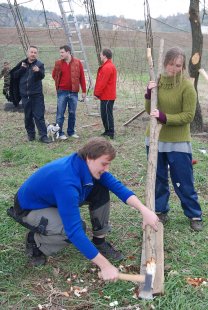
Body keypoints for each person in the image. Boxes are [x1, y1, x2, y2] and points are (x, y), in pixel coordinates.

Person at [7, 137, 159, 281]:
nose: (107, 169)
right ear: (89, 157)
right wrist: (105, 266)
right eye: (104, 164)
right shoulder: (67, 182)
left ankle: (99, 241)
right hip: (29, 208)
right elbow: (74, 232)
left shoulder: (88, 167)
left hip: (53, 200)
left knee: (101, 188)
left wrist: (144, 210)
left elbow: (118, 187)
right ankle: (34, 241)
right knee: (73, 229)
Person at [144, 46, 203, 231]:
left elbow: (188, 116)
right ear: (164, 63)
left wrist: (165, 118)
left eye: (178, 65)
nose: (174, 68)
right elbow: (149, 110)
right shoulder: (158, 81)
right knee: (158, 178)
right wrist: (148, 94)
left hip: (178, 141)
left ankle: (194, 214)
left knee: (183, 180)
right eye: (171, 64)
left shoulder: (187, 86)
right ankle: (160, 210)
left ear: (183, 66)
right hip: (155, 138)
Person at [10, 46, 51, 143]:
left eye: (35, 52)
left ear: (37, 54)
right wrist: (22, 69)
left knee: (39, 115)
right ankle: (31, 135)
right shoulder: (22, 64)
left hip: (36, 95)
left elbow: (41, 76)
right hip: (25, 95)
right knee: (28, 116)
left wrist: (38, 71)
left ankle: (43, 136)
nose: (33, 54)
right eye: (31, 52)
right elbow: (14, 76)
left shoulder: (40, 64)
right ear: (28, 53)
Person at [52, 45, 86, 140]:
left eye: (62, 52)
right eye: (60, 52)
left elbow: (82, 77)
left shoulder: (77, 62)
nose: (61, 54)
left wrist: (83, 90)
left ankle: (71, 132)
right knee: (60, 113)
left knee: (72, 113)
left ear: (68, 52)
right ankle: (59, 132)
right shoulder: (58, 63)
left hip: (74, 92)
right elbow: (54, 75)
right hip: (62, 92)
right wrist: (60, 84)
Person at [94, 48, 117, 139]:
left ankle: (110, 132)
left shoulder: (107, 67)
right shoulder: (107, 66)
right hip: (106, 95)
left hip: (107, 95)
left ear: (105, 56)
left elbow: (102, 82)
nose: (100, 56)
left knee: (107, 114)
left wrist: (97, 94)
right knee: (105, 113)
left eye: (101, 54)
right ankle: (107, 130)